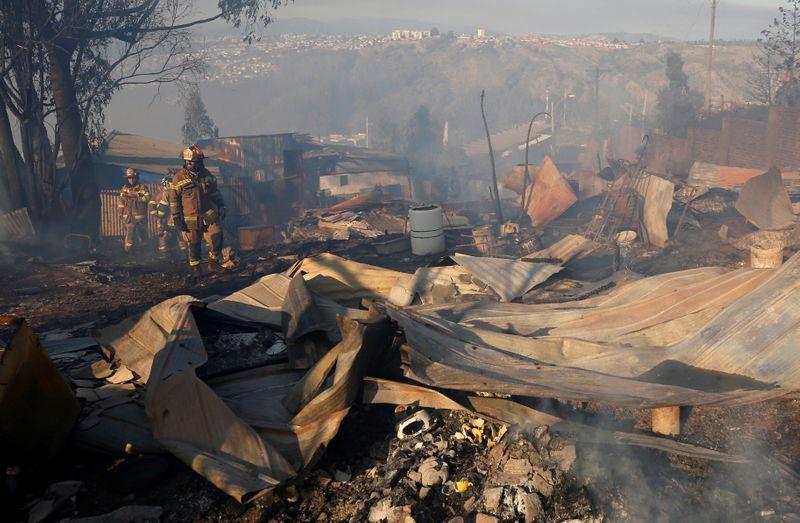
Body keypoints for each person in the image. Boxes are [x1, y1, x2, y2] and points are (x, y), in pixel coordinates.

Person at [168, 145, 226, 268]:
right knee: (194, 245)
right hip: (190, 217)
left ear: (199, 161)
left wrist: (221, 205)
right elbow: (174, 200)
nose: (189, 163)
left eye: (192, 161)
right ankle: (196, 268)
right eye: (187, 161)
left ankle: (213, 262)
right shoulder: (178, 178)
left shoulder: (207, 174)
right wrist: (176, 217)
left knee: (217, 236)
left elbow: (214, 192)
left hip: (208, 213)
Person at [149, 169, 186, 255]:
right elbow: (153, 204)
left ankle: (181, 253)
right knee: (165, 237)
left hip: (171, 219)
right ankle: (166, 253)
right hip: (165, 220)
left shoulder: (171, 192)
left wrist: (158, 215)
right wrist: (157, 214)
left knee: (178, 236)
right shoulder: (163, 193)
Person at [117, 168, 150, 254]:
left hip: (140, 217)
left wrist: (135, 196)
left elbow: (147, 198)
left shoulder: (142, 187)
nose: (131, 180)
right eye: (129, 178)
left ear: (136, 178)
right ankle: (128, 252)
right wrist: (120, 213)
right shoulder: (124, 188)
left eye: (133, 178)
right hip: (128, 216)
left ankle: (144, 251)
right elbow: (121, 202)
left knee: (142, 234)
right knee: (130, 234)